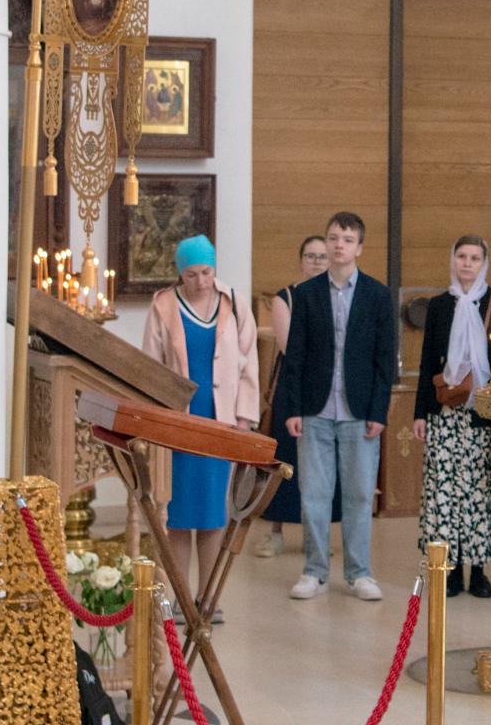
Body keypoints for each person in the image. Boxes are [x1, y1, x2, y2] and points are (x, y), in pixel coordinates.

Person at [140, 236, 262, 624]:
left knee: (212, 512)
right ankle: (179, 599)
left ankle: (209, 599)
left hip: (220, 421)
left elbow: (249, 363)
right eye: (192, 274)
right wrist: (155, 420)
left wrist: (245, 418)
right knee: (178, 514)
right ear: (180, 273)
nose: (202, 281)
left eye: (207, 271)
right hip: (178, 425)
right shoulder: (163, 306)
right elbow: (150, 366)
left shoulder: (235, 303)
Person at [280, 210, 397, 602]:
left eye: (347, 239)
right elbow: (294, 356)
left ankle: (359, 571)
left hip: (359, 411)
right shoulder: (308, 294)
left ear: (359, 247)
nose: (338, 245)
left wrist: (379, 412)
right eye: (333, 237)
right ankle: (314, 570)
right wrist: (292, 408)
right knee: (313, 491)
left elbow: (385, 359)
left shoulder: (378, 295)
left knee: (360, 494)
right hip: (315, 408)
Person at [413, 236, 491, 599]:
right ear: (452, 260)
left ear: (484, 262)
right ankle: (450, 569)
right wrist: (421, 412)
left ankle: (480, 570)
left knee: (481, 492)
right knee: (446, 491)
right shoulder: (441, 304)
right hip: (446, 411)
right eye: (461, 256)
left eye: (474, 258)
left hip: (484, 412)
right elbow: (427, 361)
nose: (467, 263)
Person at [257, 233, 333, 556]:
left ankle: (315, 535)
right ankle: (275, 531)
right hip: (294, 388)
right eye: (310, 256)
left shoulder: (336, 296)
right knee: (286, 459)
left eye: (322, 256)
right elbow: (291, 346)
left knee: (321, 463)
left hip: (328, 389)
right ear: (301, 260)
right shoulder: (285, 297)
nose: (316, 261)